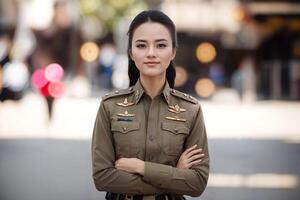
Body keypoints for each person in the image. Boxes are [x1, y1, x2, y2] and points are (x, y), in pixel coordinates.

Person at [91, 10, 209, 200]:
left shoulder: (191, 110)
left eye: (161, 45)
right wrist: (174, 176)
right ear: (131, 52)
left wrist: (140, 167)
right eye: (141, 45)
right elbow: (103, 177)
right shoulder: (110, 106)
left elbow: (197, 183)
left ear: (173, 52)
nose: (151, 53)